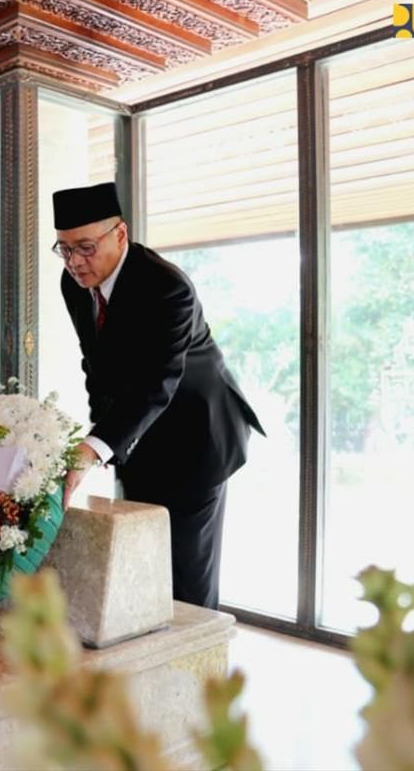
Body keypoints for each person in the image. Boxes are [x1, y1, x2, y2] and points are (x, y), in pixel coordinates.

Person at [55, 182, 264, 611]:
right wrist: (103, 439)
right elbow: (97, 366)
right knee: (139, 561)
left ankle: (200, 676)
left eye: (86, 247)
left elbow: (157, 381)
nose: (75, 262)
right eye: (64, 249)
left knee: (186, 581)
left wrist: (93, 449)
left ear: (120, 234)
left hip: (198, 438)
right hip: (139, 437)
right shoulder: (73, 283)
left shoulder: (168, 287)